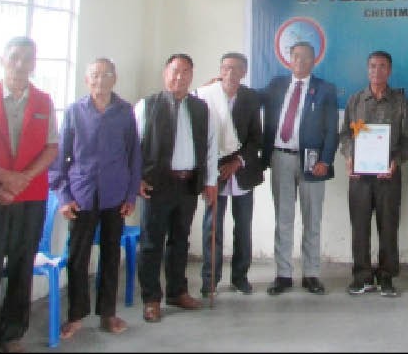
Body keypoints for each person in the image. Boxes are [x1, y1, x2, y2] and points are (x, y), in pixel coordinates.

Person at [0, 36, 59, 353]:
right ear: (2, 60)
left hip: (31, 197)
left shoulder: (44, 101)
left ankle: (12, 332)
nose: (21, 64)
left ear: (35, 63)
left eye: (28, 58)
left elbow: (51, 147)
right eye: (15, 57)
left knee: (22, 266)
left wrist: (22, 180)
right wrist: (6, 179)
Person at [48, 58, 141, 339]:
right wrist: (63, 196)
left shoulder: (125, 112)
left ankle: (108, 313)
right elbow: (60, 157)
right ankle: (76, 316)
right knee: (78, 256)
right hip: (81, 194)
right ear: (87, 80)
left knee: (111, 254)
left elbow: (134, 155)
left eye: (106, 75)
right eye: (95, 75)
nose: (100, 80)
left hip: (115, 194)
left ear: (115, 79)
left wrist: (130, 195)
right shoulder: (76, 111)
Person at [134, 54, 219, 323]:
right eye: (174, 71)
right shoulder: (147, 106)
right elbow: (132, 146)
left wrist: (210, 181)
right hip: (157, 184)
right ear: (165, 73)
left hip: (187, 183)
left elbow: (211, 146)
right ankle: (151, 299)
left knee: (180, 240)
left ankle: (177, 291)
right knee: (151, 242)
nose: (179, 77)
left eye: (185, 72)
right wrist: (136, 178)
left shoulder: (201, 108)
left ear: (192, 75)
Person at [260, 41, 339, 296]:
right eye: (296, 57)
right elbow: (250, 98)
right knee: (283, 219)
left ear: (314, 61)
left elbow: (332, 131)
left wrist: (325, 161)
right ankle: (283, 274)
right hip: (280, 158)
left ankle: (311, 274)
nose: (300, 62)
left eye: (306, 58)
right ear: (289, 59)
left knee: (311, 219)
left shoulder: (325, 89)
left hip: (313, 162)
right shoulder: (276, 86)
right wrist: (219, 84)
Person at [339, 51, 408, 297]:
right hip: (360, 178)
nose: (377, 71)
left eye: (382, 66)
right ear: (367, 69)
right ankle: (362, 276)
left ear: (389, 71)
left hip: (388, 176)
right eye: (372, 66)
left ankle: (386, 277)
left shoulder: (400, 102)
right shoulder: (355, 101)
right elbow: (345, 135)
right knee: (359, 228)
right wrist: (350, 156)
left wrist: (396, 161)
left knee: (388, 227)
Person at [196, 52, 263, 297]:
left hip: (242, 173)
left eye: (235, 69)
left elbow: (257, 138)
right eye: (225, 68)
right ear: (219, 70)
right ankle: (209, 279)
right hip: (215, 173)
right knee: (212, 227)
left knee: (243, 227)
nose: (230, 74)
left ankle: (240, 277)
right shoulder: (207, 96)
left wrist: (238, 161)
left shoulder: (251, 98)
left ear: (244, 72)